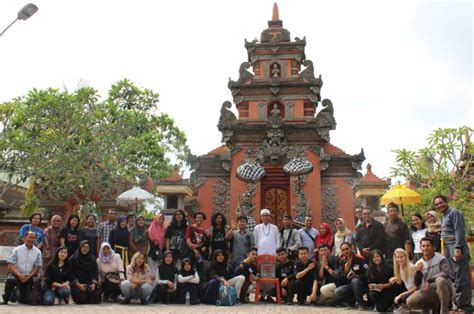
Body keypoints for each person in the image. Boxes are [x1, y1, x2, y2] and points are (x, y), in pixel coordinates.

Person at [435, 195, 472, 312]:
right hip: (446, 247)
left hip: (455, 246)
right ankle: (457, 305)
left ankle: (465, 307)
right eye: (436, 204)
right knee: (453, 277)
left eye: (441, 203)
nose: (439, 205)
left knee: (461, 277)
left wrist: (457, 248)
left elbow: (459, 231)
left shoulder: (454, 212)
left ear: (446, 202)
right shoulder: (444, 216)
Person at [406, 237, 453, 313]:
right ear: (420, 248)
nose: (426, 248)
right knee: (410, 301)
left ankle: (444, 311)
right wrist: (418, 272)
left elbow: (446, 272)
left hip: (446, 290)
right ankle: (432, 307)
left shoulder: (441, 258)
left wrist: (429, 280)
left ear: (432, 247)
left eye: (428, 246)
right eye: (423, 246)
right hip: (431, 291)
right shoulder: (418, 263)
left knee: (440, 280)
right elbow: (417, 284)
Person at [2, 231, 42, 304]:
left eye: (33, 238)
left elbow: (37, 267)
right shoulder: (16, 250)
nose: (31, 239)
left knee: (24, 301)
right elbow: (10, 265)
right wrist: (19, 275)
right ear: (24, 238)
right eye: (29, 237)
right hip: (16, 274)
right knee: (10, 279)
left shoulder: (38, 252)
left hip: (29, 276)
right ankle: (6, 299)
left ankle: (15, 294)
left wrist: (29, 276)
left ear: (35, 239)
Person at [334, 241, 370, 310]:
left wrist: (357, 276)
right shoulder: (342, 261)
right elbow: (341, 279)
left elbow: (367, 275)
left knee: (355, 281)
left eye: (347, 249)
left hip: (363, 285)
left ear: (351, 248)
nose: (345, 251)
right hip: (350, 285)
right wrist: (345, 271)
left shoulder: (360, 258)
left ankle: (361, 304)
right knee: (338, 291)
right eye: (343, 250)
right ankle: (350, 303)